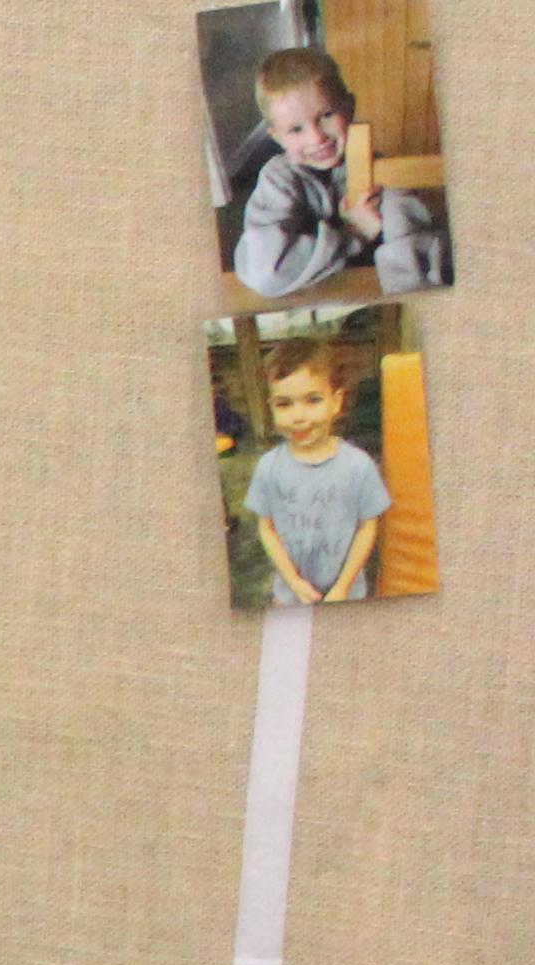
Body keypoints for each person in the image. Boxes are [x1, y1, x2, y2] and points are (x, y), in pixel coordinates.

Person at [234, 44, 453, 298]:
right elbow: (267, 272)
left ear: (349, 107)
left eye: (327, 115)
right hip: (313, 300)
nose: (317, 137)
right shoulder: (278, 178)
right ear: (278, 138)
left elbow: (415, 275)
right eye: (296, 129)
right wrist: (352, 233)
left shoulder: (382, 176)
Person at [241, 339, 394, 604]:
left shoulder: (359, 466)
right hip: (290, 596)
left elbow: (367, 527)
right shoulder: (268, 468)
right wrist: (293, 582)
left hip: (346, 594)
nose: (298, 416)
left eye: (313, 400)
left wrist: (343, 587)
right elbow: (266, 529)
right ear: (271, 406)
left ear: (336, 402)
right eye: (284, 404)